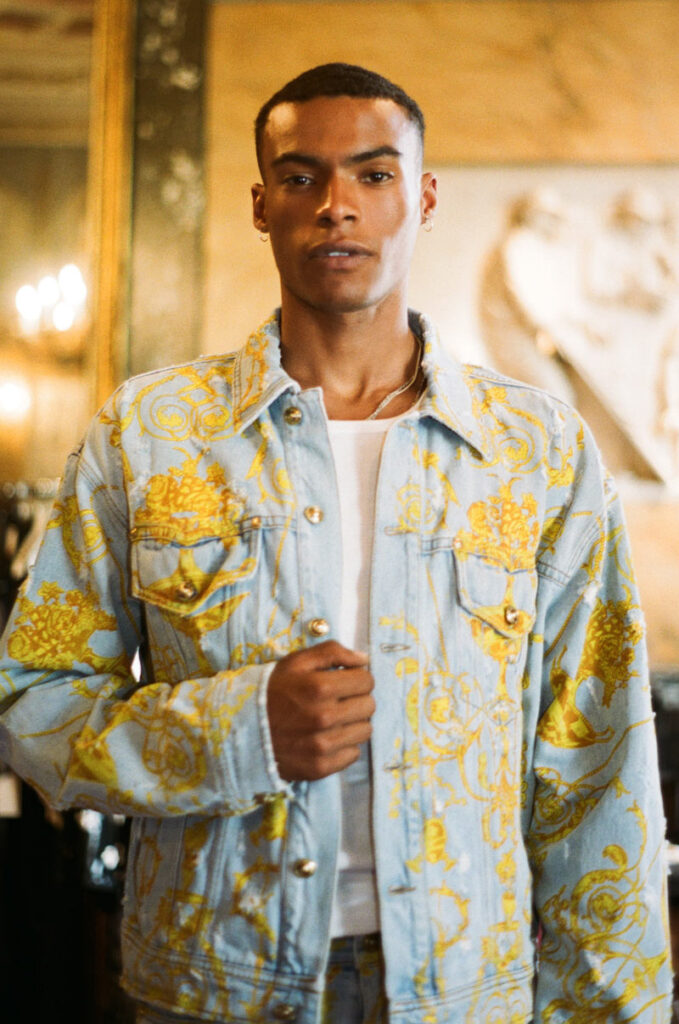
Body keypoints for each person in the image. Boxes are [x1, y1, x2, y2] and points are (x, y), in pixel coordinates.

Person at [0, 62, 672, 1024]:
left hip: (464, 991)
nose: (336, 206)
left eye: (373, 174)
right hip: (212, 985)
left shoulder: (537, 451)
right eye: (300, 176)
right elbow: (33, 702)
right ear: (261, 205)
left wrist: (612, 1008)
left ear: (422, 197)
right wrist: (237, 731)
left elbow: (598, 756)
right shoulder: (148, 435)